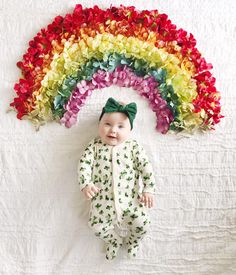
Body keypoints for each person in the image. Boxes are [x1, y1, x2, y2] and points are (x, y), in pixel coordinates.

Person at [78, 97, 156, 260]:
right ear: (99, 124)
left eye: (121, 126)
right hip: (102, 202)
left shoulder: (133, 147)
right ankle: (114, 240)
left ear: (129, 130)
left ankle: (133, 242)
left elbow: (146, 168)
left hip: (131, 202)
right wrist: (86, 184)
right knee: (96, 226)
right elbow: (84, 164)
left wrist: (148, 190)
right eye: (107, 124)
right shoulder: (95, 146)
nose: (113, 130)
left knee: (143, 224)